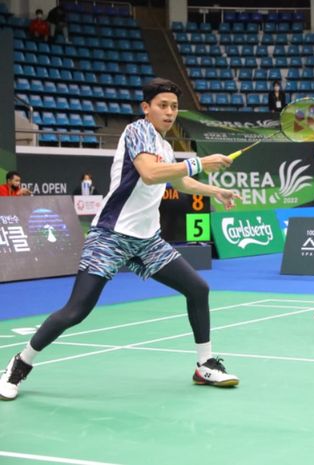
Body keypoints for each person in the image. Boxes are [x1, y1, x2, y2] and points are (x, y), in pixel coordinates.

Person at [0, 78, 242, 401]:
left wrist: (216, 190)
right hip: (110, 237)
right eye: (163, 106)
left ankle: (204, 364)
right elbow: (150, 173)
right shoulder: (136, 131)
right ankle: (20, 363)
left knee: (198, 288)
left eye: (173, 107)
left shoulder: (166, 146)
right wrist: (202, 162)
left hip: (147, 241)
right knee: (76, 310)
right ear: (147, 108)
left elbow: (180, 182)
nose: (169, 113)